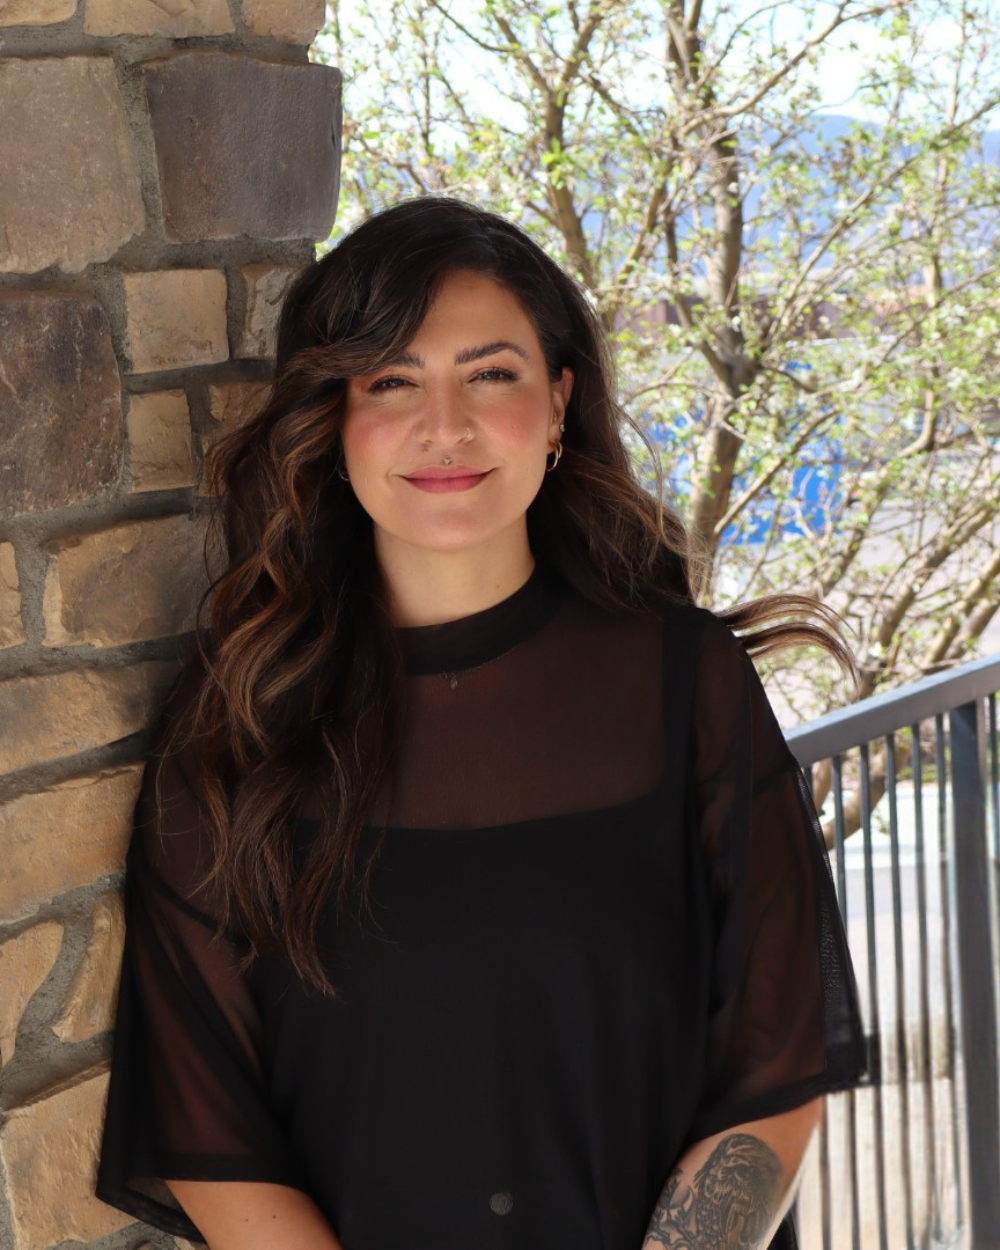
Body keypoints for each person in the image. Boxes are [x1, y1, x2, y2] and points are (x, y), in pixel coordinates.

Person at [95, 196, 868, 1250]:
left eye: (490, 373)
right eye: (393, 380)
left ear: (557, 403)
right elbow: (208, 1126)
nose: (445, 426)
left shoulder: (686, 683)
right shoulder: (235, 726)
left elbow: (772, 1063)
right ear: (336, 420)